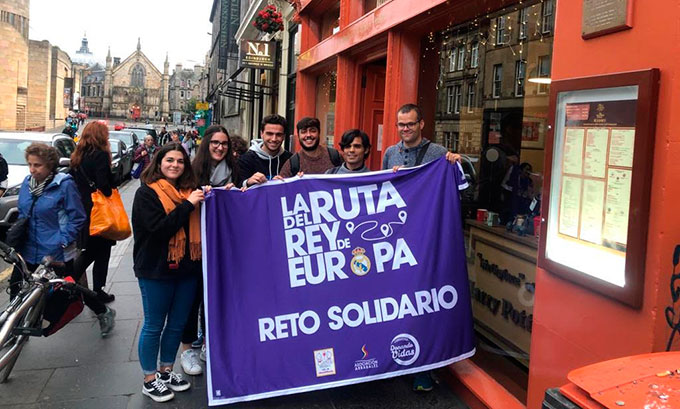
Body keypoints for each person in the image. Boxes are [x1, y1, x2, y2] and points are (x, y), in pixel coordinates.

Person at [382, 104, 465, 393]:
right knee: (399, 302)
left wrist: (457, 163)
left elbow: (463, 185)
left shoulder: (440, 154)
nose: (405, 129)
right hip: (399, 239)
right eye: (400, 125)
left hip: (427, 239)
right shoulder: (390, 154)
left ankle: (424, 369)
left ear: (422, 124)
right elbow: (382, 194)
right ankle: (397, 361)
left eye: (410, 124)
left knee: (425, 304)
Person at [9, 143, 115, 336]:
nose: (32, 170)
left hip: (54, 251)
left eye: (38, 165)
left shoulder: (64, 185)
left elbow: (78, 217)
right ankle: (13, 330)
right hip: (27, 248)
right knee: (15, 286)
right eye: (30, 165)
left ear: (50, 165)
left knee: (70, 287)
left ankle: (103, 311)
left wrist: (63, 241)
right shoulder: (26, 183)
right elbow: (24, 213)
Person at [132, 143, 204, 402]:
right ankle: (149, 379)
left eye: (180, 161)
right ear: (158, 162)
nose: (175, 165)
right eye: (169, 160)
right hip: (155, 269)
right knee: (154, 325)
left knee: (176, 324)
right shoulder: (147, 194)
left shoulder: (189, 191)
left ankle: (166, 371)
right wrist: (187, 205)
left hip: (186, 269)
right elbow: (159, 230)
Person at [176, 125, 239, 375]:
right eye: (215, 143)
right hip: (195, 246)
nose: (220, 147)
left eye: (224, 143)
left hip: (222, 244)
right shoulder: (191, 171)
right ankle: (187, 350)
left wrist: (243, 187)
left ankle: (209, 344)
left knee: (213, 297)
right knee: (191, 299)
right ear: (206, 144)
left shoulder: (234, 169)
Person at [69, 121, 118, 304]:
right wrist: (112, 181)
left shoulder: (78, 156)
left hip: (83, 209)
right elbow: (104, 185)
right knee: (96, 252)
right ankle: (71, 283)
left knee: (95, 250)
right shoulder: (100, 155)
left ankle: (97, 290)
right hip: (99, 211)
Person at [237, 114, 292, 187]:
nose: (274, 139)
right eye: (269, 134)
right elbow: (236, 187)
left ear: (284, 136)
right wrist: (248, 182)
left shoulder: (291, 160)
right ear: (261, 134)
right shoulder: (245, 160)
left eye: (278, 135)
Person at [277, 117, 342, 178]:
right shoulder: (292, 164)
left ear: (319, 133)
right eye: (303, 132)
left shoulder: (335, 156)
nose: (308, 135)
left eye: (313, 131)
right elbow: (281, 187)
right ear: (298, 135)